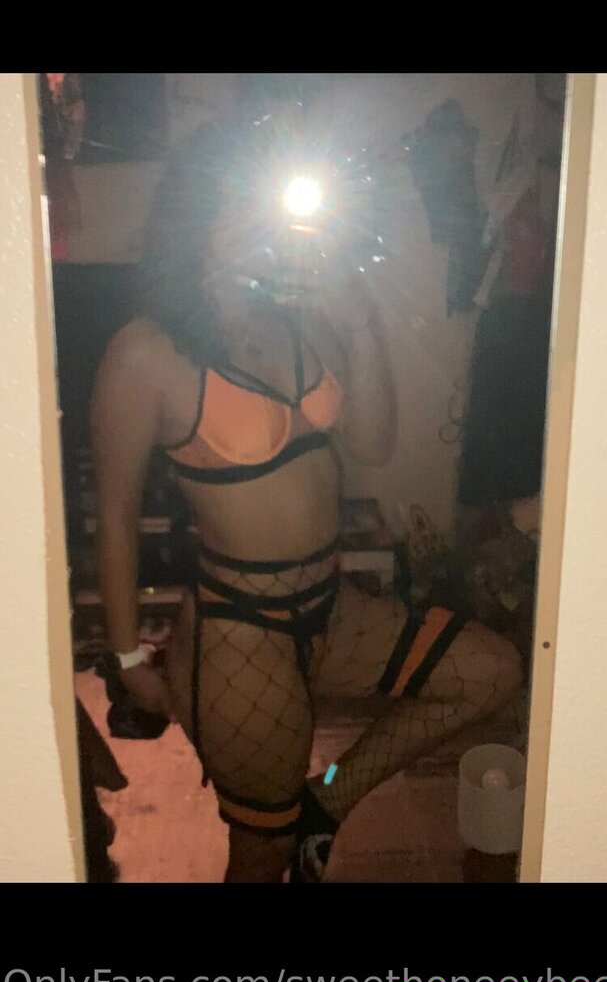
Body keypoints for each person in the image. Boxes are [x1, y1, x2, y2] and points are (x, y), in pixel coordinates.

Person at [92, 108, 521, 883]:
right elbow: (117, 520)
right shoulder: (146, 351)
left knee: (489, 672)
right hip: (239, 634)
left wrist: (357, 321)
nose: (262, 225)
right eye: (242, 203)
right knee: (261, 850)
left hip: (333, 606)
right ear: (196, 215)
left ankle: (327, 799)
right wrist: (127, 660)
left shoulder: (298, 319)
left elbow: (373, 442)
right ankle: (295, 838)